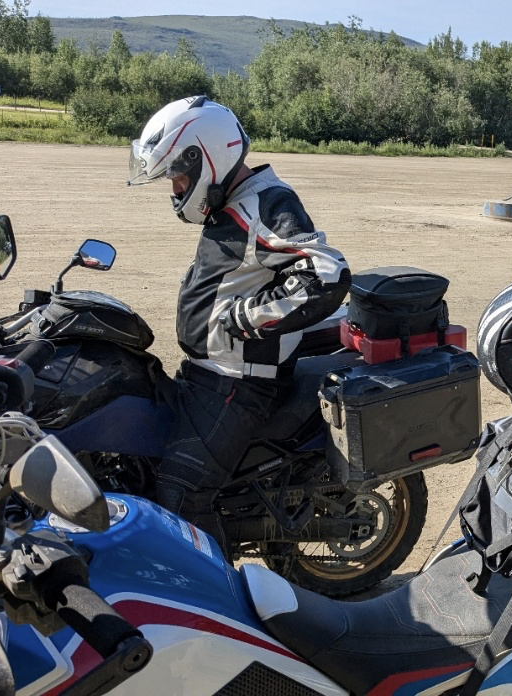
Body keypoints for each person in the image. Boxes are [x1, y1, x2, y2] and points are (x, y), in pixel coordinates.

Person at [127, 96, 351, 546]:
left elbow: (327, 273)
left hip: (237, 385)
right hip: (209, 375)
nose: (175, 189)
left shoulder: (266, 203)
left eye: (177, 176)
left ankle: (215, 606)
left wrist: (249, 317)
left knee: (181, 495)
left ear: (205, 158)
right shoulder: (234, 201)